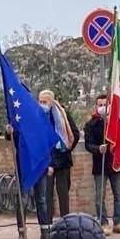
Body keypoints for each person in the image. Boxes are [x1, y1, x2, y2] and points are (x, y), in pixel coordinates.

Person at [84, 94, 120, 237]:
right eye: (100, 105)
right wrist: (98, 148)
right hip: (100, 164)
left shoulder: (116, 122)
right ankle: (103, 222)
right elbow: (88, 144)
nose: (103, 107)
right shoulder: (91, 124)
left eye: (105, 104)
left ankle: (118, 222)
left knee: (119, 194)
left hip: (116, 162)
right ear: (96, 107)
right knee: (100, 196)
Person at [38, 90, 80, 222]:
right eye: (40, 101)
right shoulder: (38, 116)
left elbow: (75, 134)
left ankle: (65, 221)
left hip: (62, 160)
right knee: (46, 194)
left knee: (63, 194)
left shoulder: (62, 114)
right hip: (46, 161)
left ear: (52, 101)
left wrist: (67, 148)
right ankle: (47, 224)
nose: (42, 104)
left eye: (44, 102)